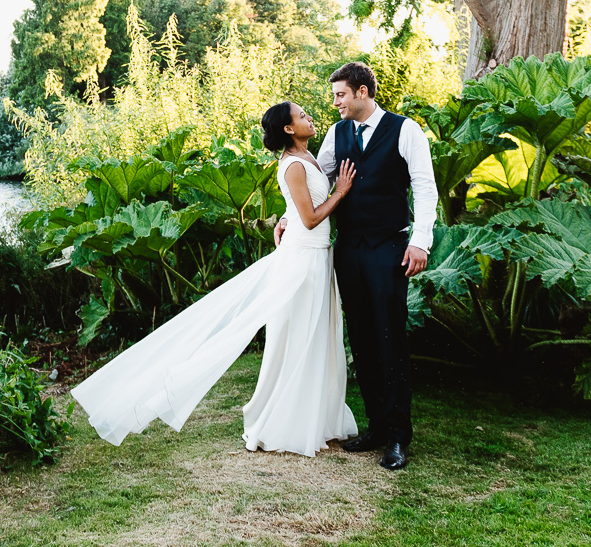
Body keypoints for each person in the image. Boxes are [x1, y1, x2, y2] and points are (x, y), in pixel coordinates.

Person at [69, 101, 360, 456]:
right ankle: (285, 420)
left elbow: (296, 207)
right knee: (298, 339)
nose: (309, 118)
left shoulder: (309, 158)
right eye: (302, 116)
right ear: (288, 129)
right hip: (302, 258)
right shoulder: (293, 165)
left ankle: (317, 418)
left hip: (317, 257)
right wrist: (340, 193)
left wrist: (284, 219)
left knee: (314, 340)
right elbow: (312, 217)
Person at [274, 61, 437, 470]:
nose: (335, 103)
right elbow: (315, 182)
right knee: (362, 338)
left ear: (362, 92)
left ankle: (399, 435)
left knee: (390, 337)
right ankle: (377, 425)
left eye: (340, 95)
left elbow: (425, 186)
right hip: (347, 249)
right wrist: (287, 215)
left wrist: (420, 241)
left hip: (389, 247)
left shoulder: (406, 130)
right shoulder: (335, 133)